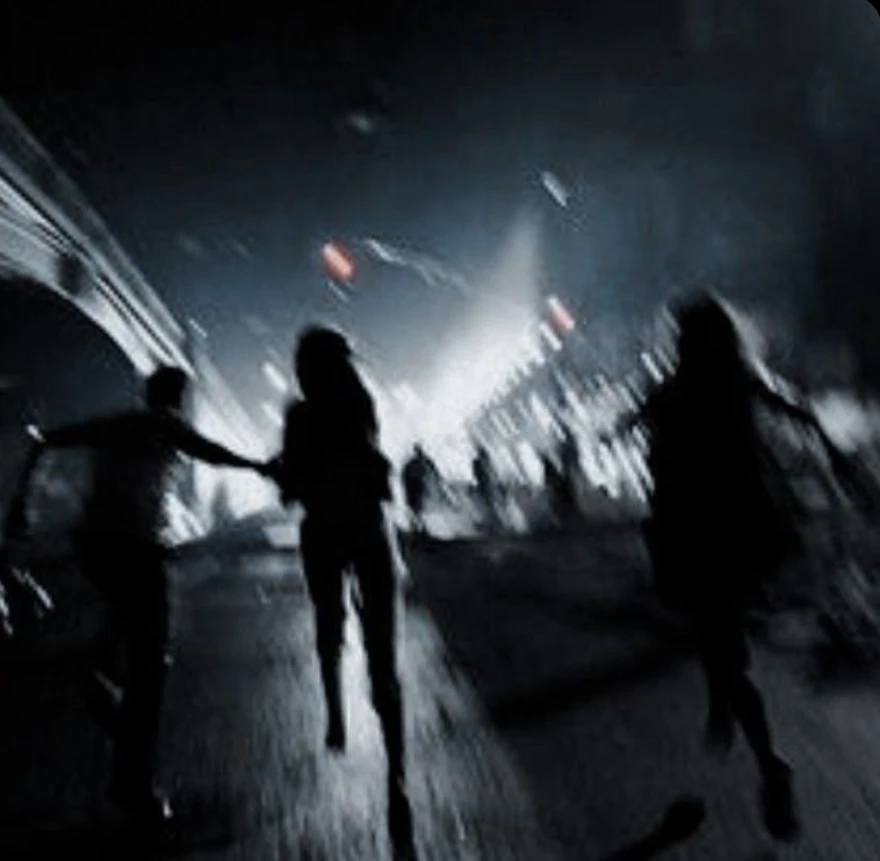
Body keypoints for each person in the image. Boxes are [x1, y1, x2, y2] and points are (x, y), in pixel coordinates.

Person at [2, 366, 270, 824]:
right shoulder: (168, 424)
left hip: (93, 543)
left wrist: (22, 504)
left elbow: (44, 440)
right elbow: (212, 454)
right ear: (180, 398)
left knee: (125, 622)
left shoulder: (115, 423)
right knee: (151, 664)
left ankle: (103, 680)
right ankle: (133, 780)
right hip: (138, 546)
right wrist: (260, 466)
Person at [615, 292, 825, 842]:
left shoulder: (676, 389)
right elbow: (799, 413)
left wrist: (633, 423)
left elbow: (635, 423)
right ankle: (724, 717)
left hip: (694, 537)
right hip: (740, 533)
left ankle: (768, 764)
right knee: (720, 644)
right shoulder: (736, 379)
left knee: (720, 648)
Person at [270, 326, 415, 860]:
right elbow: (371, 466)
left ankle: (334, 708)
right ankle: (397, 776)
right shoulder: (362, 402)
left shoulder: (298, 415)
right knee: (384, 655)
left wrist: (285, 474)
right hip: (371, 531)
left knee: (328, 619)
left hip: (324, 532)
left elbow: (290, 491)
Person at [401, 444, 440, 536]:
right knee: (416, 507)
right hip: (415, 486)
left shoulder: (420, 461)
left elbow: (435, 472)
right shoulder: (416, 462)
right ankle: (417, 527)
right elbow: (435, 472)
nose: (420, 453)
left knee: (418, 507)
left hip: (418, 486)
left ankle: (419, 527)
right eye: (419, 451)